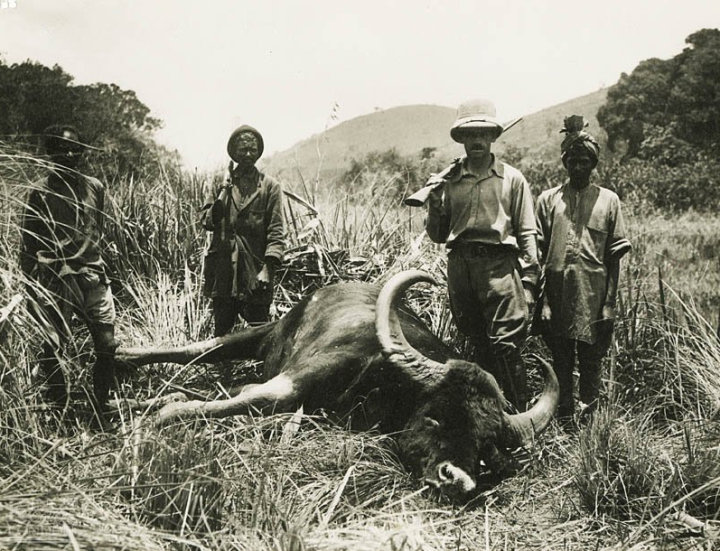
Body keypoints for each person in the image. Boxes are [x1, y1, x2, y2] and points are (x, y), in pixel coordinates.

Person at [424, 99, 539, 411]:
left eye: (483, 134)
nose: (476, 140)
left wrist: (529, 283)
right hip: (460, 269)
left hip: (499, 269)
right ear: (461, 139)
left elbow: (528, 232)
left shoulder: (512, 179)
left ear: (493, 138)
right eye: (470, 134)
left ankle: (522, 421)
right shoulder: (448, 181)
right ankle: (487, 418)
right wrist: (434, 203)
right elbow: (437, 235)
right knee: (476, 344)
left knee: (506, 346)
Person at [535, 115, 632, 422]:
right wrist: (545, 302)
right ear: (565, 162)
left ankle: (590, 424)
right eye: (573, 161)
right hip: (558, 296)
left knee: (591, 361)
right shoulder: (548, 200)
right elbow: (539, 256)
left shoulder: (609, 201)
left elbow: (614, 258)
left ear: (594, 164)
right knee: (560, 361)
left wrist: (608, 304)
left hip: (594, 296)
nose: (578, 167)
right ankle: (562, 421)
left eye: (584, 161)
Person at [20, 124, 118, 418]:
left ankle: (101, 407)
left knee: (107, 344)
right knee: (53, 347)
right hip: (56, 279)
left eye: (77, 149)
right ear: (50, 153)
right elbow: (28, 242)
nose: (72, 154)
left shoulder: (94, 187)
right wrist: (28, 286)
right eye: (63, 150)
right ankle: (58, 410)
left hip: (92, 275)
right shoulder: (39, 192)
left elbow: (96, 228)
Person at [200, 125, 286, 338]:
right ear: (233, 153)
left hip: (255, 271)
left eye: (253, 150)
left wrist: (267, 269)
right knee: (221, 333)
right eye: (243, 150)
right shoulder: (221, 184)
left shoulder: (270, 187)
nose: (248, 155)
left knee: (259, 333)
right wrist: (222, 195)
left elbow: (276, 233)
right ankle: (221, 371)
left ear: (258, 153)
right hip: (224, 272)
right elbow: (206, 222)